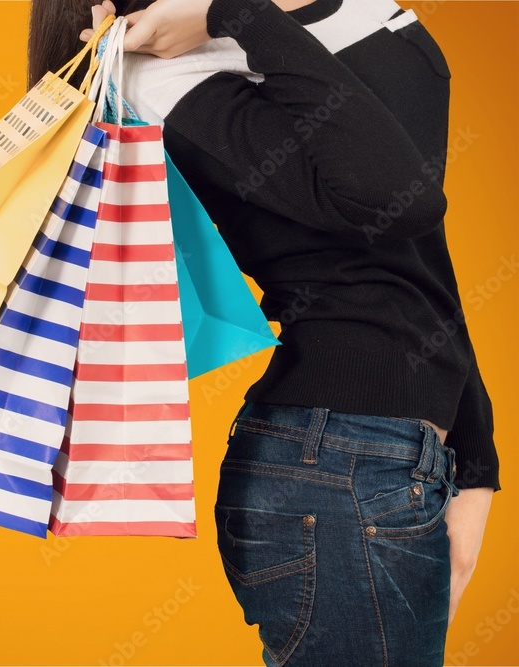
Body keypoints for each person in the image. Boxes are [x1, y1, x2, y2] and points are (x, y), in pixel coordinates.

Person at [27, 1, 501, 665]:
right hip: (335, 469)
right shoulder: (158, 71)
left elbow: (420, 256)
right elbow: (395, 195)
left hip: (391, 460)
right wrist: (231, 13)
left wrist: (474, 460)